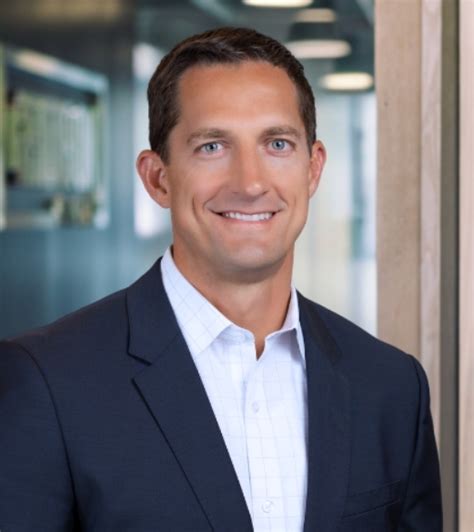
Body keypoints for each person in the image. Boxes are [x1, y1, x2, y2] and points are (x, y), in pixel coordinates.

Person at [0, 27, 442, 532]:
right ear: (158, 178)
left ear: (313, 169)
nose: (250, 183)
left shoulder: (390, 387)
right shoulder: (46, 383)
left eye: (277, 143)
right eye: (212, 146)